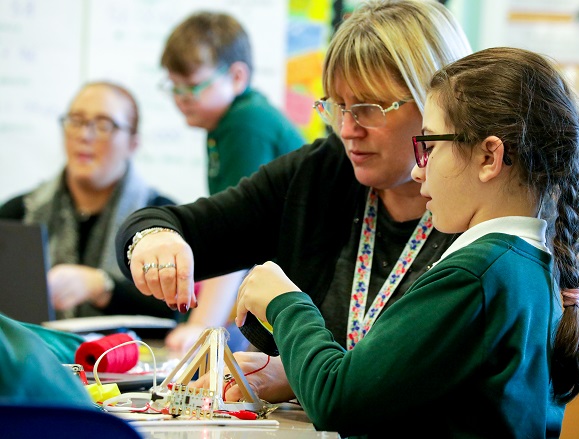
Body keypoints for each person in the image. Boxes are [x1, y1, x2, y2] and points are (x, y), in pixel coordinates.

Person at [116, 0, 471, 404]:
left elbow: (444, 383)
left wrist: (303, 373)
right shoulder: (320, 173)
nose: (348, 129)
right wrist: (154, 237)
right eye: (337, 106)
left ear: (436, 104)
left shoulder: (480, 212)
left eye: (369, 109)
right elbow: (170, 223)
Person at [230, 46, 579, 437]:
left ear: (489, 157)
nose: (420, 172)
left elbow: (336, 401)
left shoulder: (477, 276)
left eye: (431, 148)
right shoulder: (524, 264)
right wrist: (299, 373)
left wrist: (286, 303)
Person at [158, 11, 305, 353]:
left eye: (192, 86)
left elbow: (235, 238)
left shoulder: (245, 124)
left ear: (237, 77)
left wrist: (200, 329)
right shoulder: (224, 123)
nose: (182, 98)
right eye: (174, 87)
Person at [0, 81, 176, 320]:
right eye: (76, 121)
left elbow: (178, 308)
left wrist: (102, 287)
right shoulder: (20, 214)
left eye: (104, 125)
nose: (84, 135)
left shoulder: (162, 220)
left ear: (133, 143)